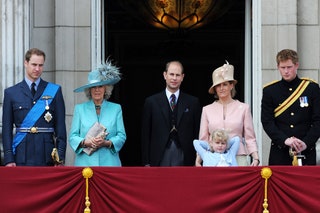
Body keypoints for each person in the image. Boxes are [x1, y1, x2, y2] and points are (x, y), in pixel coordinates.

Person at [2, 48, 67, 166]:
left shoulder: (54, 91)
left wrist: (60, 157)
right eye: (34, 64)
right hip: (21, 155)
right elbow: (6, 129)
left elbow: (61, 129)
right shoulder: (11, 93)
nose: (37, 69)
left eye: (41, 65)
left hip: (47, 156)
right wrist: (9, 158)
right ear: (25, 63)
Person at [261, 49, 320, 165]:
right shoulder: (270, 91)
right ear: (278, 67)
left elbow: (318, 120)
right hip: (280, 152)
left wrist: (306, 143)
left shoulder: (311, 88)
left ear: (296, 65)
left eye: (289, 67)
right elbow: (267, 121)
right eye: (283, 68)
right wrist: (285, 140)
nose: (286, 71)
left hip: (306, 151)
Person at [196, 61, 260, 166]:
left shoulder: (243, 108)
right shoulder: (207, 110)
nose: (221, 88)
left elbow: (250, 137)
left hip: (238, 157)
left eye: (225, 84)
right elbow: (203, 138)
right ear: (215, 89)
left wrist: (256, 158)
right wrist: (198, 160)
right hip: (213, 159)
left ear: (231, 86)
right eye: (218, 85)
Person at [141, 60, 201, 166]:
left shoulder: (193, 102)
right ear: (165, 75)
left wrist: (198, 158)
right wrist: (146, 162)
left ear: (182, 77)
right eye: (171, 74)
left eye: (177, 75)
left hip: (186, 155)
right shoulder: (151, 102)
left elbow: (197, 132)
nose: (174, 78)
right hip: (158, 155)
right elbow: (146, 134)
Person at [69, 59, 126, 166]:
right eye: (93, 87)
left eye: (100, 86)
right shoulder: (80, 109)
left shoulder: (116, 108)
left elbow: (121, 136)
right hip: (85, 164)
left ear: (106, 89)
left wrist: (107, 143)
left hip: (110, 163)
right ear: (89, 90)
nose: (97, 90)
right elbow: (73, 136)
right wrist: (86, 142)